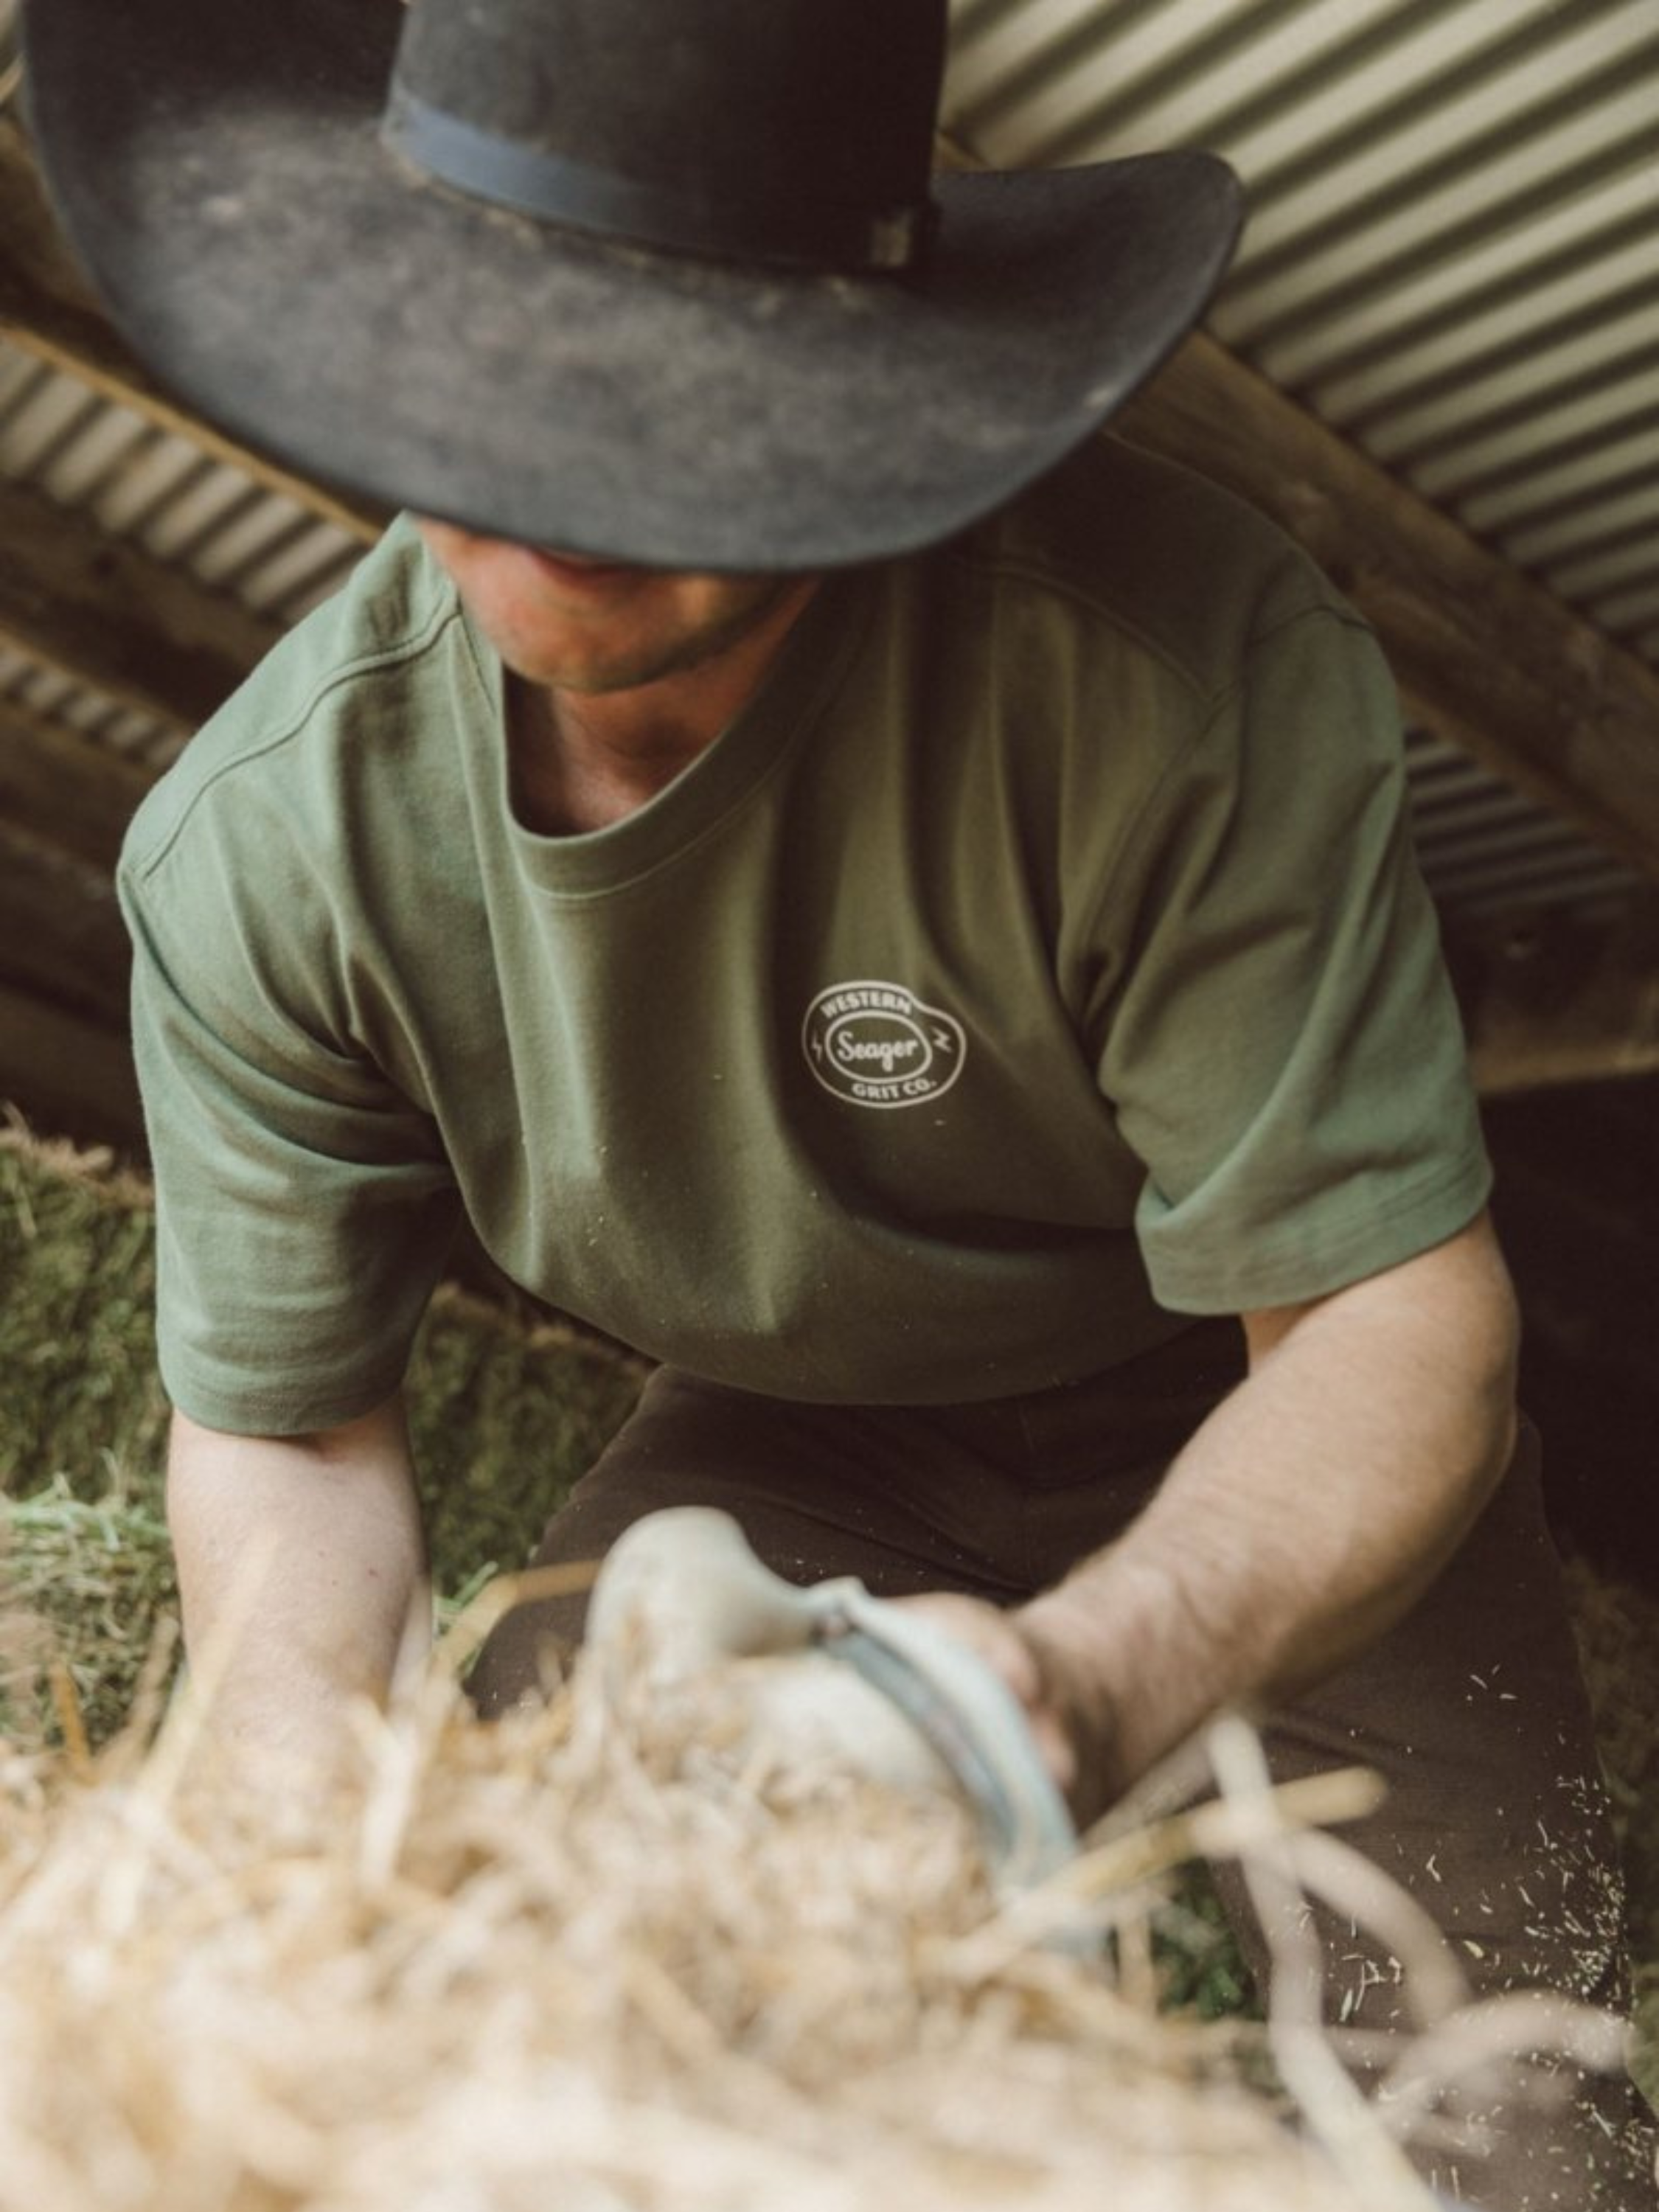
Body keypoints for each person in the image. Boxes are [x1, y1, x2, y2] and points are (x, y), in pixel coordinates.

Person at [23, 0, 1655, 2201]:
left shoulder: (1170, 666)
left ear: (870, 380)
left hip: (1255, 1404)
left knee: (1511, 2104)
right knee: (505, 1975)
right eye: (492, 362)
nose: (551, 488)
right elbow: (291, 1431)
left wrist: (1073, 1688)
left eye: (669, 402)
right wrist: (309, 1839)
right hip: (801, 1440)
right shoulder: (260, 858)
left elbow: (1392, 1324)